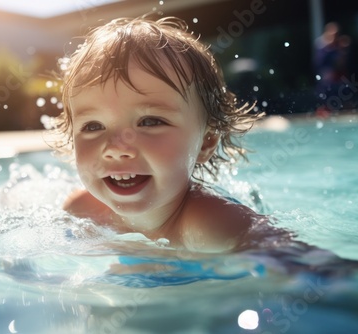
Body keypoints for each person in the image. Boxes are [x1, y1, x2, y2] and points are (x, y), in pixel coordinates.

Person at [51, 16, 265, 253]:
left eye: (149, 122)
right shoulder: (82, 211)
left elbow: (300, 270)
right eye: (93, 126)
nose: (116, 148)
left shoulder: (214, 226)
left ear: (206, 142)